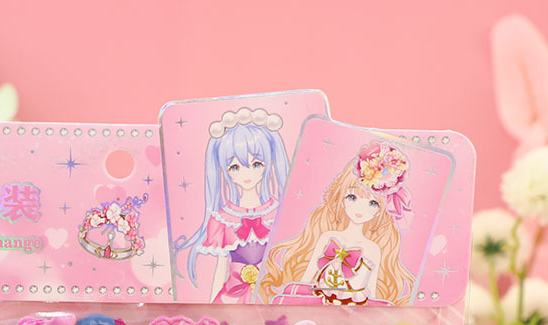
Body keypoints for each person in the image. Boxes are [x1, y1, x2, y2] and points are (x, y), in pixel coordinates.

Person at [259, 141, 414, 306]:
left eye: (373, 203)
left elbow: (371, 292)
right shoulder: (328, 237)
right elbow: (306, 280)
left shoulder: (372, 248)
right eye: (352, 198)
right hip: (317, 302)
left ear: (380, 211)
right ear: (341, 200)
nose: (360, 208)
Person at [174, 107, 289, 303]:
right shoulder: (222, 219)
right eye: (235, 167)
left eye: (256, 164)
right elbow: (221, 269)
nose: (246, 174)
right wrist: (211, 310)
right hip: (232, 296)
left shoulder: (279, 213)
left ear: (269, 164)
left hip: (270, 294)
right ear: (224, 170)